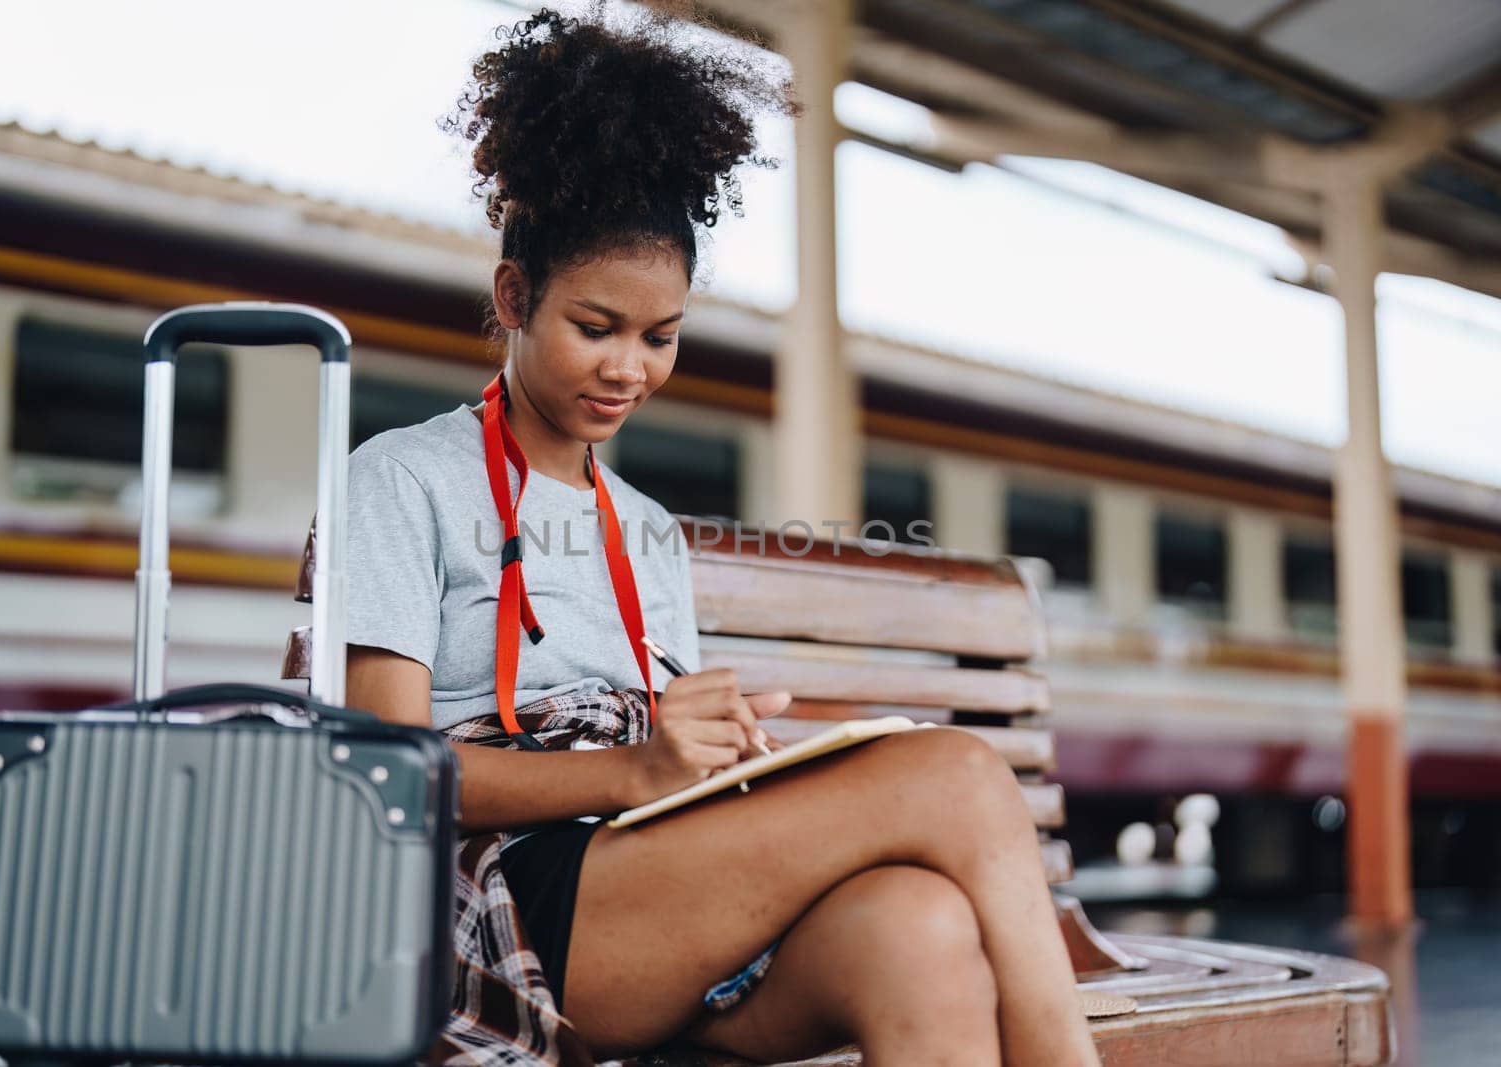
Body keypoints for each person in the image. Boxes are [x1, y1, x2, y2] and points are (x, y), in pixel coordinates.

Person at [343, 6, 1101, 1065]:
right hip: (497, 912)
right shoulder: (401, 477)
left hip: (649, 894)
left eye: (661, 337)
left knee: (917, 924)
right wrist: (636, 769)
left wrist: (712, 747)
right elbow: (385, 772)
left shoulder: (644, 530)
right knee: (960, 777)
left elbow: (660, 772)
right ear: (515, 295)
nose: (629, 369)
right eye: (594, 327)